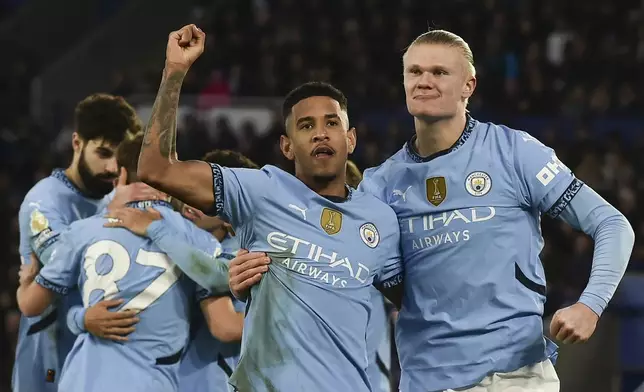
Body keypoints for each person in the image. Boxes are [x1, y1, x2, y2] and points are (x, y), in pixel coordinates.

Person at [229, 30, 635, 392]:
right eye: (415, 72)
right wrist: (261, 277)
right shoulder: (379, 185)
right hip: (428, 380)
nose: (425, 80)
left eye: (440, 72)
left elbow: (612, 224)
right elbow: (338, 271)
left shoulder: (514, 153)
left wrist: (590, 304)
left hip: (518, 375)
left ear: (468, 85)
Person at [136, 24, 405, 392]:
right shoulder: (260, 191)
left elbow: (419, 305)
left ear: (351, 138)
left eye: (332, 123)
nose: (320, 133)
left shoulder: (382, 221)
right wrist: (174, 72)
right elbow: (155, 168)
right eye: (306, 126)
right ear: (287, 146)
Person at [16, 134, 234, 392]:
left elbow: (31, 305)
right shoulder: (199, 242)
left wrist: (27, 283)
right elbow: (223, 325)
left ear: (120, 175)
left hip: (82, 380)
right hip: (152, 383)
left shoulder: (83, 230)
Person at [13, 93, 154, 392]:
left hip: (102, 355)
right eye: (103, 153)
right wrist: (111, 213)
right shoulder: (44, 201)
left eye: (121, 156)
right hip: (51, 355)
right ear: (77, 143)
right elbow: (68, 266)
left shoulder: (115, 197)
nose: (113, 168)